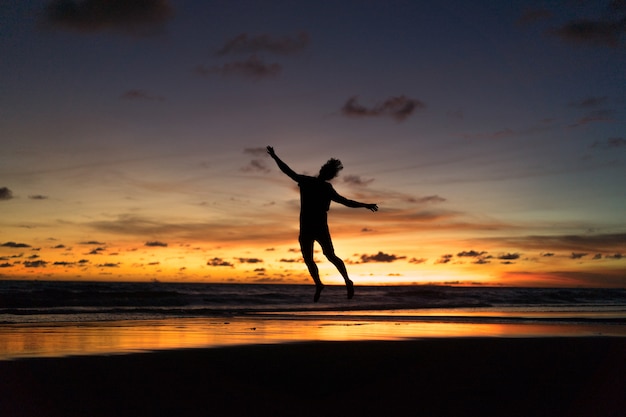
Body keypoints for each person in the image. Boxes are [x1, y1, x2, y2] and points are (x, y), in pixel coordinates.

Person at [267, 146, 378, 302]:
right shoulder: (311, 182)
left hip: (317, 227)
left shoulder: (321, 186)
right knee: (311, 258)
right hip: (308, 228)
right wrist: (275, 157)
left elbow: (345, 201)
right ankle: (321, 284)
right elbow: (288, 171)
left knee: (327, 256)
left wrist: (364, 205)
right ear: (325, 172)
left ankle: (345, 280)